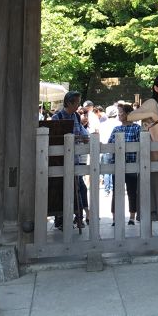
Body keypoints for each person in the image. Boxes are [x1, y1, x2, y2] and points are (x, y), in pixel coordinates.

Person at [127, 73, 158, 234]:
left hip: (157, 156)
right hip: (152, 157)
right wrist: (151, 114)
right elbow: (130, 116)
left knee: (157, 197)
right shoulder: (152, 102)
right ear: (156, 88)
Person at [52, 91, 89, 228]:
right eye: (77, 103)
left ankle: (78, 216)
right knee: (61, 188)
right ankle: (61, 219)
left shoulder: (77, 117)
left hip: (75, 158)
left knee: (78, 187)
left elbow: (82, 133)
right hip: (60, 160)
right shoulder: (57, 117)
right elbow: (54, 139)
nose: (78, 105)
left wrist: (86, 138)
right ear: (68, 103)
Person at [107, 104, 140, 226]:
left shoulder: (137, 128)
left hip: (132, 164)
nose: (119, 115)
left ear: (128, 114)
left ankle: (132, 217)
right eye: (119, 113)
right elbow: (110, 144)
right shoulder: (116, 129)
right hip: (118, 165)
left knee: (132, 191)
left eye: (121, 113)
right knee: (117, 192)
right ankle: (115, 218)